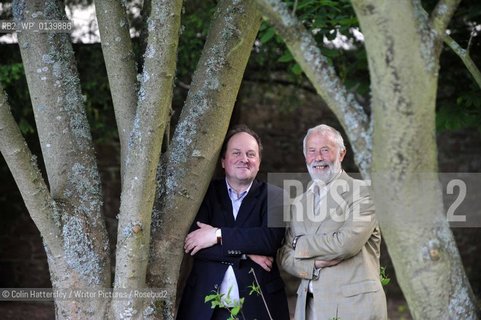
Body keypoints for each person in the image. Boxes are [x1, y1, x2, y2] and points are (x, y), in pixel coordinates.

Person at [177, 125, 290, 320]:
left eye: (251, 154)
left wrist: (216, 235)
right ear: (223, 161)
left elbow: (269, 240)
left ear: (259, 162)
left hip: (258, 306)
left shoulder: (276, 197)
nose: (244, 159)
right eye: (236, 152)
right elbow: (194, 245)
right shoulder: (203, 195)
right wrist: (246, 253)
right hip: (204, 308)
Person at [279, 124, 387, 320]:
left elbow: (345, 244)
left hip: (354, 309)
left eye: (325, 150)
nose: (318, 157)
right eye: (312, 151)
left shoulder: (363, 193)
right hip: (309, 309)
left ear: (342, 153)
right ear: (305, 156)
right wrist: (313, 265)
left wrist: (299, 244)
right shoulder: (299, 202)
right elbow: (284, 255)